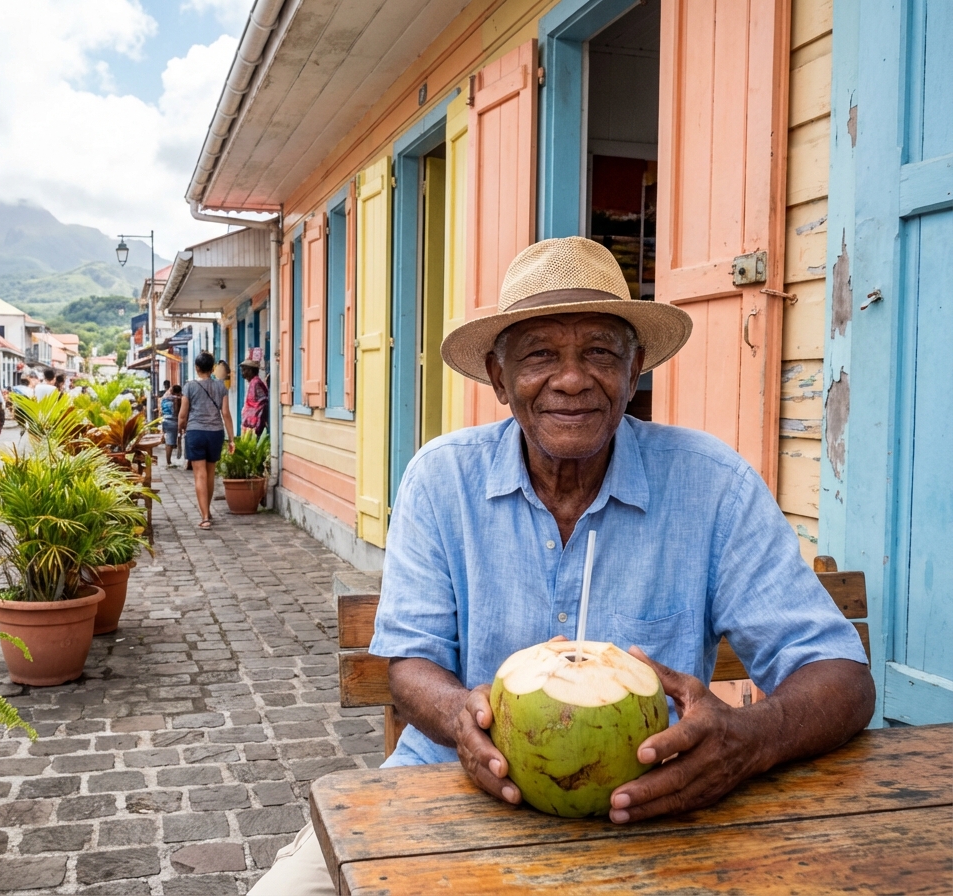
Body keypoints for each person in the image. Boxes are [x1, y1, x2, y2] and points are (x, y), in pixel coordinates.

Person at [248, 237, 874, 894]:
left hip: (655, 809)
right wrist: (462, 716)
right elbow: (409, 662)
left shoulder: (710, 484)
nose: (571, 378)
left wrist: (753, 738)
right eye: (540, 355)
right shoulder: (442, 480)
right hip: (449, 788)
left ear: (634, 373)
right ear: (497, 377)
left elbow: (841, 676)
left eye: (600, 353)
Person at [178, 352, 234, 530]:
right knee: (210, 474)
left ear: (196, 368)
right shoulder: (221, 387)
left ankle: (204, 517)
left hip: (195, 432)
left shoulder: (189, 387)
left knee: (199, 475)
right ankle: (207, 511)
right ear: (212, 369)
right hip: (215, 433)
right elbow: (225, 413)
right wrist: (231, 438)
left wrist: (181, 428)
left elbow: (182, 414)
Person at [239, 358, 270, 436]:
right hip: (252, 423)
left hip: (254, 424)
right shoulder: (254, 382)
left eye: (244, 370)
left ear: (250, 371)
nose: (242, 372)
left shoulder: (255, 383)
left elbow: (260, 404)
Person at [160, 383, 181, 467]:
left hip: (165, 420)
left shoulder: (164, 398)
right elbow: (176, 411)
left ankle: (168, 460)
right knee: (170, 442)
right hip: (172, 421)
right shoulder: (176, 399)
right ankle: (168, 462)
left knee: (169, 440)